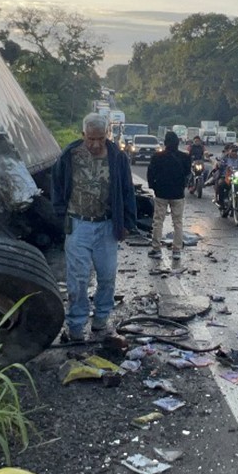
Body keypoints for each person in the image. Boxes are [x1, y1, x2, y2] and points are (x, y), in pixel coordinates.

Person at [51, 113, 138, 342]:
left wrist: (127, 222)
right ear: (83, 135)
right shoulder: (70, 155)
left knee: (107, 276)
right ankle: (76, 325)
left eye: (100, 138)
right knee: (78, 279)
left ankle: (101, 319)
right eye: (91, 139)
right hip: (78, 225)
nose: (96, 144)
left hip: (107, 227)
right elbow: (57, 185)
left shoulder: (118, 158)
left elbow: (127, 190)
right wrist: (61, 213)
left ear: (107, 135)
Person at [146, 131, 191, 260]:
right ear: (177, 143)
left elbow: (151, 174)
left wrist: (153, 187)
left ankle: (156, 248)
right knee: (178, 222)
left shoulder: (157, 157)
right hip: (178, 193)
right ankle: (177, 250)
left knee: (158, 221)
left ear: (165, 143)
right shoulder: (185, 157)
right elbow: (188, 174)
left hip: (161, 193)